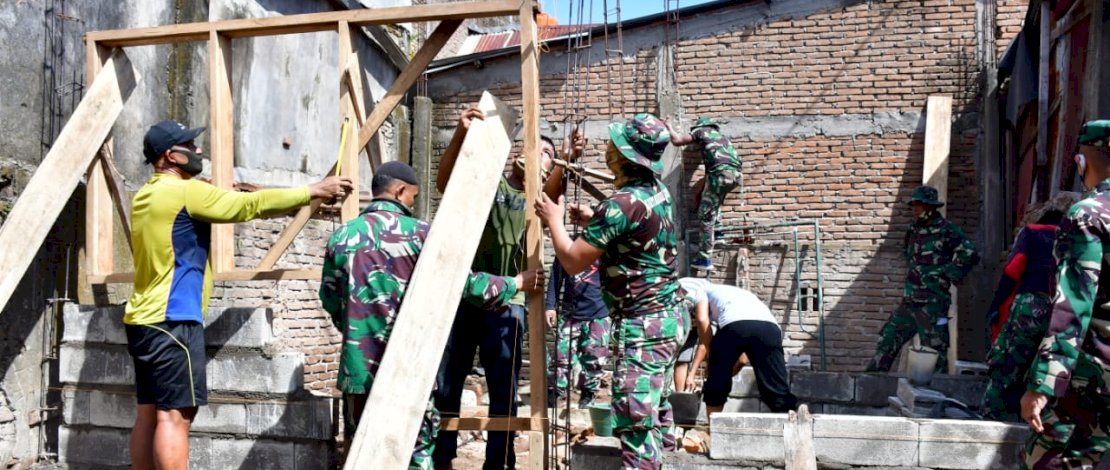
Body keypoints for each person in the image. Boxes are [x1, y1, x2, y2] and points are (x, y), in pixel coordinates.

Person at [123, 120, 352, 470]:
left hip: (142, 320)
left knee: (148, 414)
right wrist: (312, 190)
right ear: (172, 156)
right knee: (176, 418)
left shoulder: (145, 195)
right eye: (191, 146)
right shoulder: (185, 192)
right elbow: (248, 206)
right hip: (174, 321)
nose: (199, 151)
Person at [318, 161, 543, 468]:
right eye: (412, 195)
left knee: (363, 452)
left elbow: (330, 300)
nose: (413, 202)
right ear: (400, 191)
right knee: (412, 450)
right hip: (410, 367)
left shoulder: (342, 236)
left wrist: (358, 332)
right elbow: (464, 284)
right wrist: (515, 282)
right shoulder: (423, 235)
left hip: (358, 370)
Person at [432, 107, 583, 470]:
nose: (533, 154)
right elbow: (446, 181)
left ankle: (499, 462)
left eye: (543, 152)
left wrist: (563, 158)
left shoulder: (539, 202)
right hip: (469, 298)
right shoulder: (491, 185)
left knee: (504, 391)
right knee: (449, 382)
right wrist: (460, 135)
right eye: (528, 148)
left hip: (510, 302)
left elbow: (550, 188)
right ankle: (441, 456)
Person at [535, 113, 685, 469]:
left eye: (612, 143)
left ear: (623, 155)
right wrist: (595, 222)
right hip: (669, 318)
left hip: (645, 327)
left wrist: (555, 220)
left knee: (634, 423)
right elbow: (638, 233)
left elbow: (572, 261)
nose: (606, 147)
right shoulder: (655, 190)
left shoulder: (620, 205)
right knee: (657, 413)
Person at [1021, 120, 1110, 468]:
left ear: (1082, 162)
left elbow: (1073, 304)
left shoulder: (1089, 214)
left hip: (1092, 376)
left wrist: (1043, 383)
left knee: (1054, 461)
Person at [979, 192, 1078, 422]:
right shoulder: (1077, 238)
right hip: (1064, 310)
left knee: (1008, 362)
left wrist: (996, 305)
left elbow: (1013, 270)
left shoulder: (1033, 233)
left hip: (1031, 305)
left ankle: (992, 416)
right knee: (1045, 364)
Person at [865, 185, 979, 373]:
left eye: (919, 205)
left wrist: (945, 273)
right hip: (910, 301)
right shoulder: (913, 230)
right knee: (887, 340)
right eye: (914, 205)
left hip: (933, 304)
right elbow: (909, 256)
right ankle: (869, 384)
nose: (915, 209)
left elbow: (970, 254)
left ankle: (936, 397)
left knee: (934, 353)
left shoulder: (946, 230)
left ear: (930, 206)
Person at [676, 278, 798, 416]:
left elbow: (702, 320)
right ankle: (791, 427)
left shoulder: (702, 290)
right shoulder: (739, 295)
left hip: (733, 325)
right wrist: (726, 370)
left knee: (716, 385)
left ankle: (713, 432)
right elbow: (742, 360)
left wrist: (714, 360)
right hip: (770, 328)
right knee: (777, 387)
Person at [664, 117, 741, 271]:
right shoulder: (722, 139)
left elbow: (678, 140)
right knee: (714, 200)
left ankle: (704, 259)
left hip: (719, 176)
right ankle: (718, 233)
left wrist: (669, 126)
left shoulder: (701, 131)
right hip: (735, 176)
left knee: (705, 215)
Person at [544, 258, 610, 409]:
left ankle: (588, 395)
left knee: (595, 360)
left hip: (598, 314)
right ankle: (553, 395)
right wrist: (550, 306)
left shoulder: (604, 246)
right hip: (570, 314)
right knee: (561, 358)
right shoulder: (566, 247)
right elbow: (555, 277)